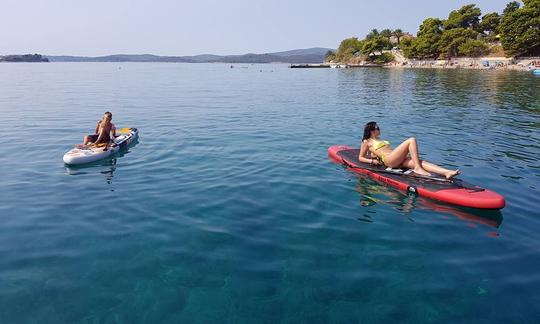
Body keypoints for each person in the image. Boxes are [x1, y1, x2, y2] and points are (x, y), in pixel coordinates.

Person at [358, 121, 460, 179]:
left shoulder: (379, 139)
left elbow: (375, 152)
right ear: (372, 130)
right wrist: (372, 160)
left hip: (396, 159)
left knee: (421, 162)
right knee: (411, 140)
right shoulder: (367, 141)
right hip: (389, 160)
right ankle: (417, 168)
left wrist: (373, 155)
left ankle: (447, 172)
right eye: (378, 128)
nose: (379, 129)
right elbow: (360, 157)